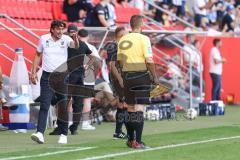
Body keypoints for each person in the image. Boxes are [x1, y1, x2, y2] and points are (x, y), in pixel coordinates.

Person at [30, 20, 79, 144]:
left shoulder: (67, 39)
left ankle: (63, 134)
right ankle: (39, 133)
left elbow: (76, 46)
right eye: (58, 29)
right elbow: (37, 55)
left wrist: (76, 38)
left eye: (62, 29)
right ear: (52, 29)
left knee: (63, 105)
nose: (60, 31)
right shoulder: (43, 39)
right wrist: (33, 72)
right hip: (46, 76)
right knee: (44, 105)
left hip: (62, 76)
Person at [117, 15, 158, 149]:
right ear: (141, 25)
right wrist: (154, 76)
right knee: (139, 109)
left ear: (130, 25)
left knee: (130, 109)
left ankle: (130, 140)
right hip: (141, 75)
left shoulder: (123, 39)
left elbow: (119, 62)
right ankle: (138, 142)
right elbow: (149, 60)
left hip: (127, 76)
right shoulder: (144, 39)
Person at [49, 24, 95, 135]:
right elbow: (92, 57)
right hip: (77, 76)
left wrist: (87, 66)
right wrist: (87, 66)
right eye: (71, 32)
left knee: (65, 102)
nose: (72, 34)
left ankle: (62, 127)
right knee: (76, 103)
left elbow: (92, 57)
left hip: (69, 76)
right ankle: (73, 128)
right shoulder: (80, 44)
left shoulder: (65, 44)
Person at [103, 26, 128, 139]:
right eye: (126, 33)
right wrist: (120, 79)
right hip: (117, 78)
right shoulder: (112, 45)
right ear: (120, 35)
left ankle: (118, 132)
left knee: (122, 104)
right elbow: (111, 65)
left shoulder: (123, 46)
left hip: (123, 76)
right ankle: (126, 131)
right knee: (125, 104)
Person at [79, 29, 101, 130]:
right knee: (87, 100)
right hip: (88, 76)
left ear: (78, 36)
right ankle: (85, 123)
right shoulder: (91, 47)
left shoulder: (73, 46)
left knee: (71, 99)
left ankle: (69, 122)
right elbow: (97, 63)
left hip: (75, 75)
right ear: (87, 37)